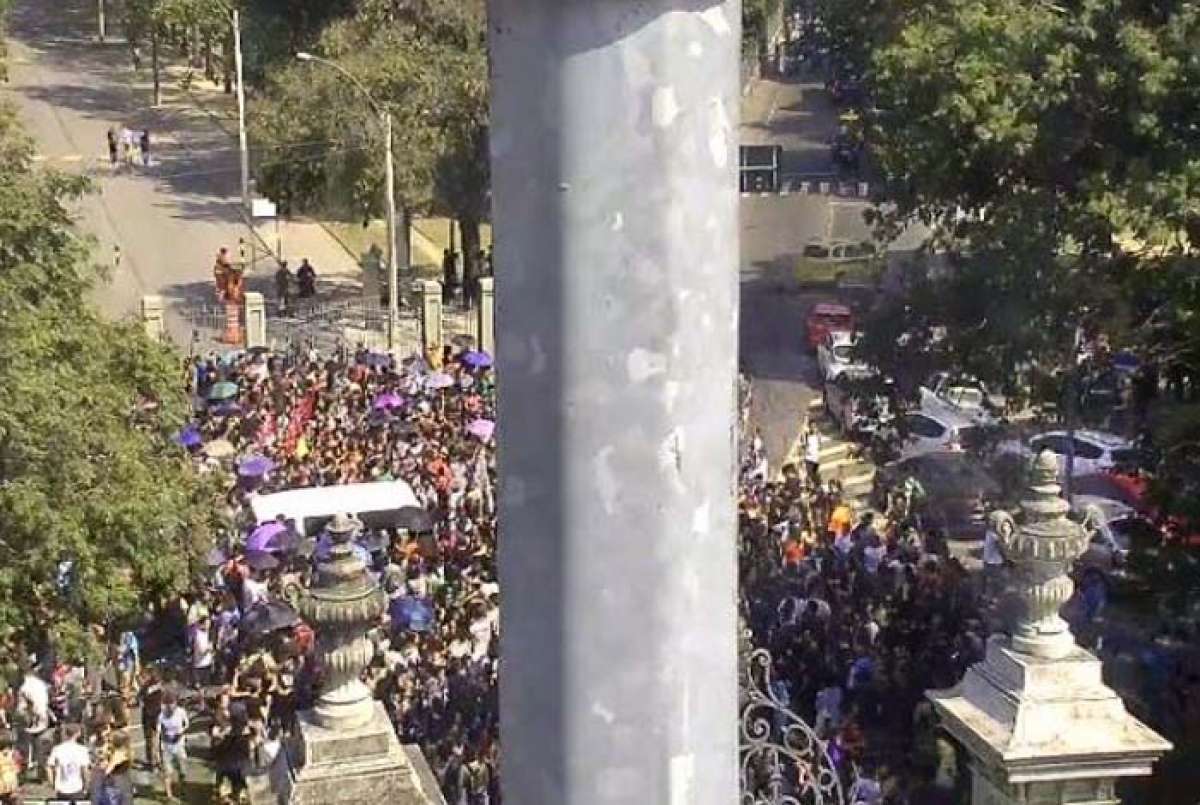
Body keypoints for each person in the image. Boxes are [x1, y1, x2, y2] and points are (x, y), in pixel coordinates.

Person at [17, 663, 51, 783]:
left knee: (24, 746)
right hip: (43, 716)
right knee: (40, 745)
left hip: (31, 718)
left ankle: (23, 773)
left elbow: (24, 706)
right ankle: (41, 773)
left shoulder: (24, 687)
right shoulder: (41, 684)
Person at [157, 691, 190, 802]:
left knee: (183, 771)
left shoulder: (181, 712)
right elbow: (158, 732)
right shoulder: (161, 715)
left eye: (172, 703)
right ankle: (169, 796)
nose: (170, 706)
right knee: (167, 772)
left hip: (179, 746)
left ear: (175, 703)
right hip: (166, 747)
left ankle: (183, 789)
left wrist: (181, 733)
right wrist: (158, 749)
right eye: (168, 703)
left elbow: (187, 724)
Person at [46, 723, 91, 802]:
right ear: (78, 734)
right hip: (77, 788)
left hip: (61, 789)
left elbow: (48, 767)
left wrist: (52, 783)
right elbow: (85, 770)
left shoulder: (57, 749)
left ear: (65, 733)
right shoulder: (82, 750)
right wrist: (86, 786)